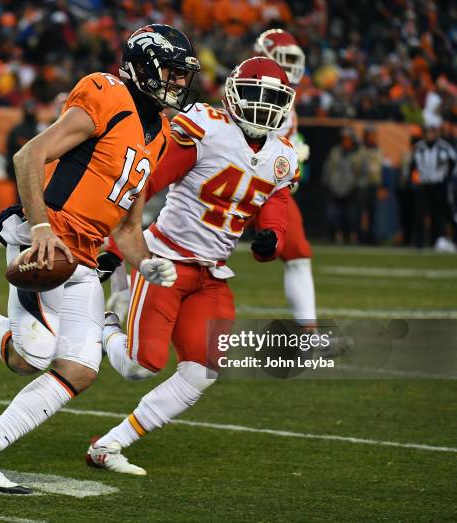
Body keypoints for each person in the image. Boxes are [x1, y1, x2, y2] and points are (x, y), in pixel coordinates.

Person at [0, 24, 200, 493]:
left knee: (79, 368)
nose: (178, 83)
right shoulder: (106, 93)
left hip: (84, 257)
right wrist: (42, 227)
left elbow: (128, 230)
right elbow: (29, 155)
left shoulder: (163, 135)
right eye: (171, 71)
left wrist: (146, 262)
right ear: (144, 66)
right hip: (44, 239)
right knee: (34, 355)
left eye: (181, 74)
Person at [87, 57, 299, 475]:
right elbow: (148, 181)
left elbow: (276, 201)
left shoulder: (283, 154)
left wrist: (272, 239)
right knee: (138, 367)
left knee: (202, 371)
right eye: (255, 94)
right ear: (234, 93)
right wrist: (118, 244)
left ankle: (109, 445)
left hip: (212, 274)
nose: (262, 105)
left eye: (271, 98)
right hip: (165, 260)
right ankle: (103, 325)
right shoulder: (205, 126)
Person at [253, 28, 317, 328]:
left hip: (270, 185)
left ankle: (309, 329)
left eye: (293, 60)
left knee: (298, 255)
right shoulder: (252, 85)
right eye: (283, 59)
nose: (289, 66)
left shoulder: (288, 98)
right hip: (240, 175)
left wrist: (291, 160)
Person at [410, 125, 457, 249]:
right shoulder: (419, 147)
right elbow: (412, 167)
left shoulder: (444, 146)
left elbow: (453, 162)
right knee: (420, 213)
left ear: (436, 133)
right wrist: (415, 180)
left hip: (439, 185)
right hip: (424, 185)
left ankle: (437, 241)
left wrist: (445, 177)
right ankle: (419, 243)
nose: (430, 135)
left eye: (432, 132)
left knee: (439, 214)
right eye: (428, 132)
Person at [322, 127, 361, 243]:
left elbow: (362, 171)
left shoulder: (358, 154)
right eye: (344, 139)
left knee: (350, 216)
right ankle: (333, 236)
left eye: (348, 139)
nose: (346, 142)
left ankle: (348, 236)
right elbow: (328, 168)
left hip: (351, 189)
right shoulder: (335, 152)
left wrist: (358, 185)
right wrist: (327, 181)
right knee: (332, 215)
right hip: (335, 188)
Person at [5, 99, 44, 187]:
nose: (30, 111)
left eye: (32, 108)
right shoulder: (16, 130)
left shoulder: (42, 129)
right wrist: (9, 167)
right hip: (19, 169)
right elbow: (10, 150)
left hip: (38, 169)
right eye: (28, 109)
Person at [357, 125, 383, 244]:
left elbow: (380, 169)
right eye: (369, 135)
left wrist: (382, 185)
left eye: (372, 135)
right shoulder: (361, 149)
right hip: (363, 184)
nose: (371, 137)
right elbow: (357, 166)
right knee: (361, 212)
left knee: (373, 212)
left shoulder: (378, 149)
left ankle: (372, 236)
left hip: (374, 184)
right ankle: (360, 236)